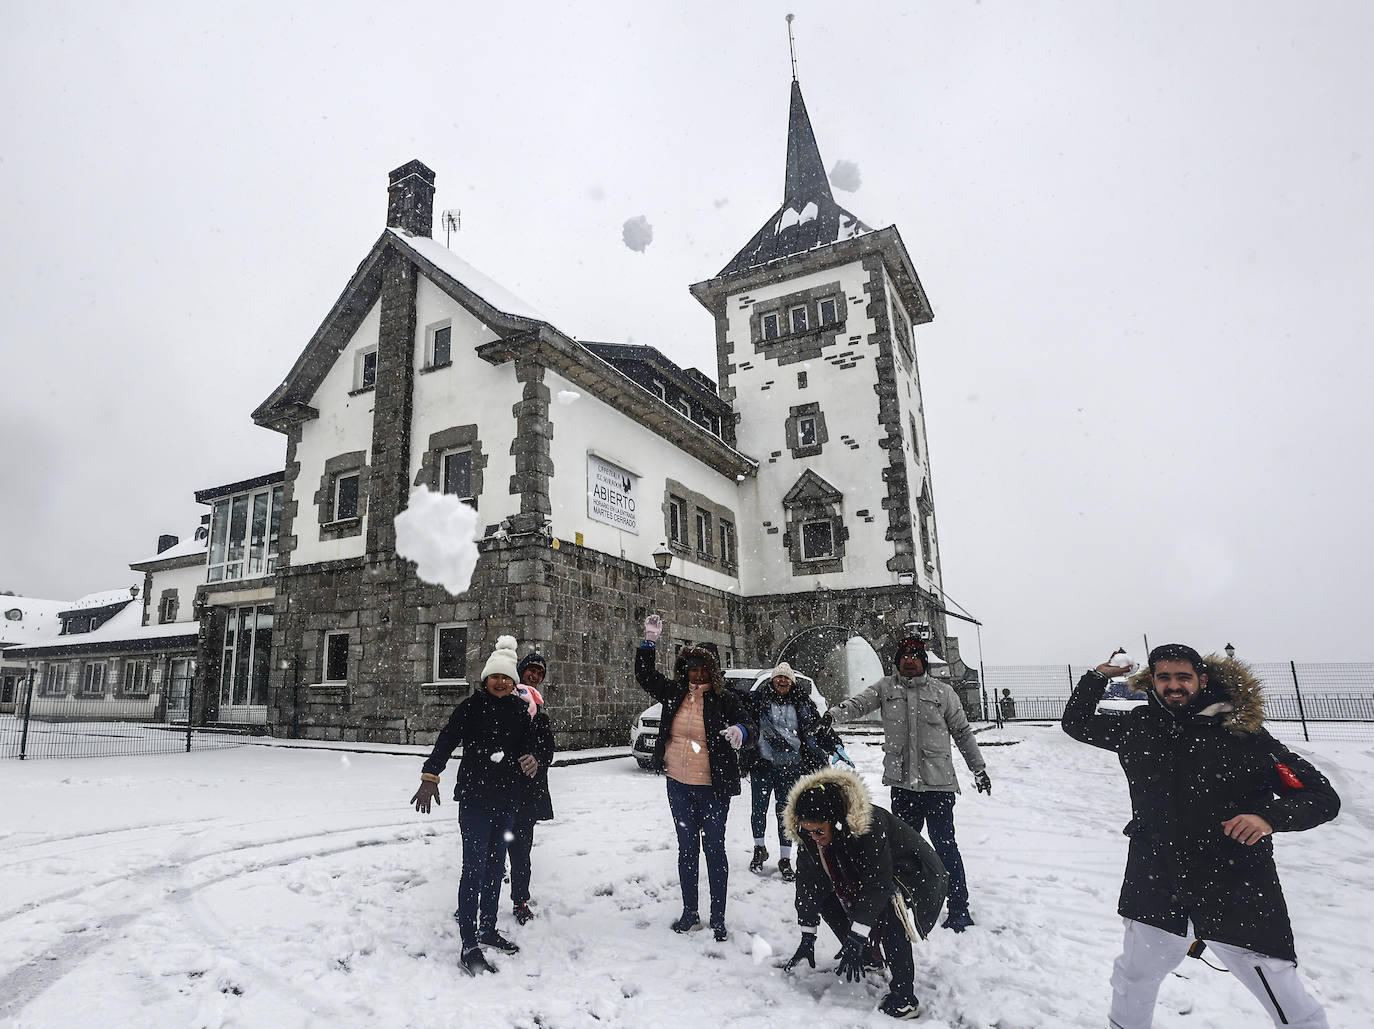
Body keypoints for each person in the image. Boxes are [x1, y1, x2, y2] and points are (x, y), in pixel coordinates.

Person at [1062, 644, 1340, 1029]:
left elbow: (1321, 796)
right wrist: (1097, 677)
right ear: (1152, 681)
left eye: (1183, 677)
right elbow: (1076, 723)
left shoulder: (1245, 735)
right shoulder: (1139, 727)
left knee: (1288, 1000)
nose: (1174, 686)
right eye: (1164, 677)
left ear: (1202, 679)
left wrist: (1268, 816)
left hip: (1236, 885)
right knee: (1133, 979)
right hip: (1157, 879)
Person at [825, 635, 989, 931]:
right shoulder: (886, 689)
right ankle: (907, 898)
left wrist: (979, 769)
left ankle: (958, 906)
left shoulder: (943, 692)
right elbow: (859, 704)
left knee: (945, 846)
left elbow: (963, 733)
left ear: (923, 661)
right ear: (897, 661)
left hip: (938, 787)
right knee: (900, 850)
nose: (909, 660)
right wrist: (832, 716)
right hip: (903, 788)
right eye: (904, 656)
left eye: (915, 655)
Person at [410, 634, 540, 976]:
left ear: (513, 682)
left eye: (506, 677)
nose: (500, 682)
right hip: (475, 800)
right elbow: (447, 740)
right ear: (486, 679)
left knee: (497, 869)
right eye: (494, 676)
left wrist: (533, 760)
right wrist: (430, 775)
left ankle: (487, 928)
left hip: (507, 800)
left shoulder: (519, 711)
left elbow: (531, 746)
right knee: (474, 870)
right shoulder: (470, 707)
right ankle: (469, 944)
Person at [779, 767, 948, 1021]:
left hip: (913, 871)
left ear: (834, 820)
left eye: (819, 831)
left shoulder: (867, 825)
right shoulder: (810, 833)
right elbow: (808, 883)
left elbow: (877, 885)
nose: (814, 837)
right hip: (867, 871)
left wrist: (857, 935)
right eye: (808, 831)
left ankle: (904, 999)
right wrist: (807, 936)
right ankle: (869, 956)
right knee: (826, 897)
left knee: (891, 909)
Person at [635, 614, 755, 941]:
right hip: (678, 783)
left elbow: (750, 724)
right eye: (692, 667)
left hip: (713, 788)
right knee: (687, 849)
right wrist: (649, 642)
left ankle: (718, 917)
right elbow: (645, 675)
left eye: (702, 667)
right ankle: (690, 913)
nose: (696, 673)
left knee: (714, 850)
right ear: (684, 669)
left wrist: (739, 731)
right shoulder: (675, 693)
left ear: (712, 670)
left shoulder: (725, 698)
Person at [744, 661, 828, 881]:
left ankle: (785, 858)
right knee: (758, 810)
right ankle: (759, 848)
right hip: (762, 764)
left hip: (790, 767)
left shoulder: (802, 704)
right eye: (778, 677)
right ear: (772, 680)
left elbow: (814, 731)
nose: (782, 681)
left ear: (792, 682)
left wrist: (826, 750)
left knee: (787, 814)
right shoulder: (759, 700)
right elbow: (744, 720)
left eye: (786, 678)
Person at [507, 651, 555, 926]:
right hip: (500, 790)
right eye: (531, 670)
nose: (534, 676)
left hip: (527, 795)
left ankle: (520, 900)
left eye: (539, 673)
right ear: (521, 672)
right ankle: (478, 898)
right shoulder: (505, 704)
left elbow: (548, 751)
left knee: (521, 851)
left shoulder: (541, 716)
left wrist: (537, 760)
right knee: (491, 850)